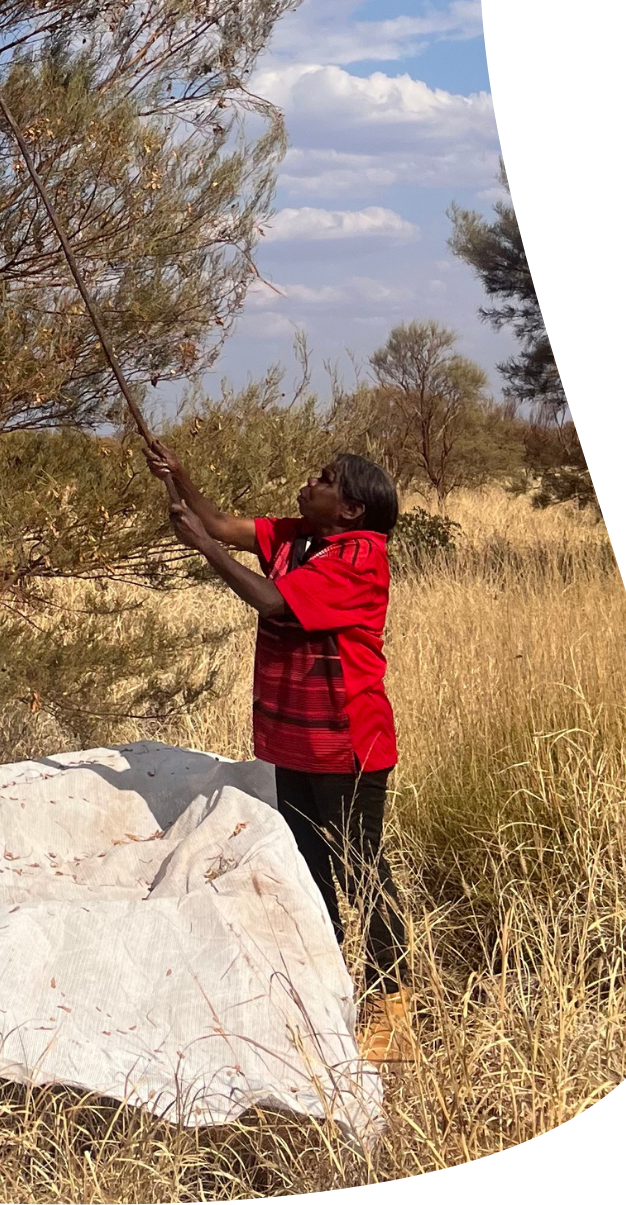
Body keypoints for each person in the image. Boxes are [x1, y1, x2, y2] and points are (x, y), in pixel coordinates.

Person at [145, 440, 414, 1066]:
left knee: (361, 869)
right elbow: (219, 525)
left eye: (323, 480)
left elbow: (271, 600)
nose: (308, 484)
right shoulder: (299, 537)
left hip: (347, 743)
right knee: (309, 866)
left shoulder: (360, 559)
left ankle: (392, 1000)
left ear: (349, 509)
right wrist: (179, 476)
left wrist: (206, 550)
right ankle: (328, 985)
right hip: (293, 738)